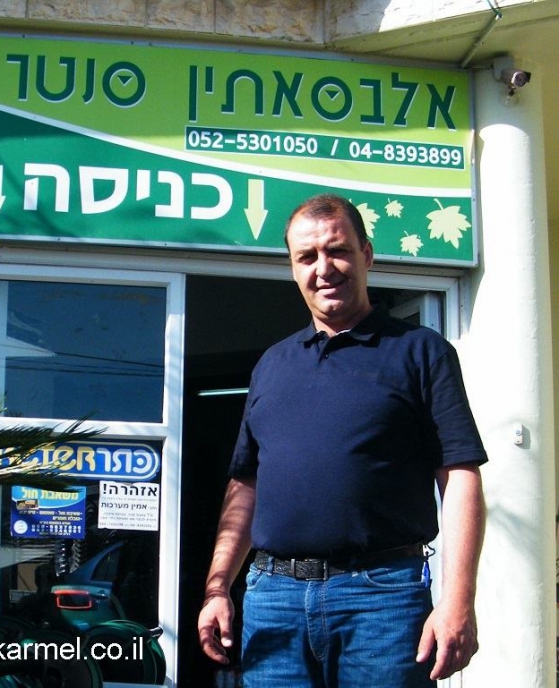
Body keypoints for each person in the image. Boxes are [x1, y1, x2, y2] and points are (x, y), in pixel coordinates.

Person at [197, 194, 487, 687]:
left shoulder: (421, 352)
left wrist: (458, 600)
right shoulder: (272, 364)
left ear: (366, 255)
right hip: (273, 600)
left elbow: (460, 476)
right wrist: (217, 587)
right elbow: (246, 483)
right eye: (307, 257)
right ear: (293, 269)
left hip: (382, 599)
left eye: (338, 251)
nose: (323, 268)